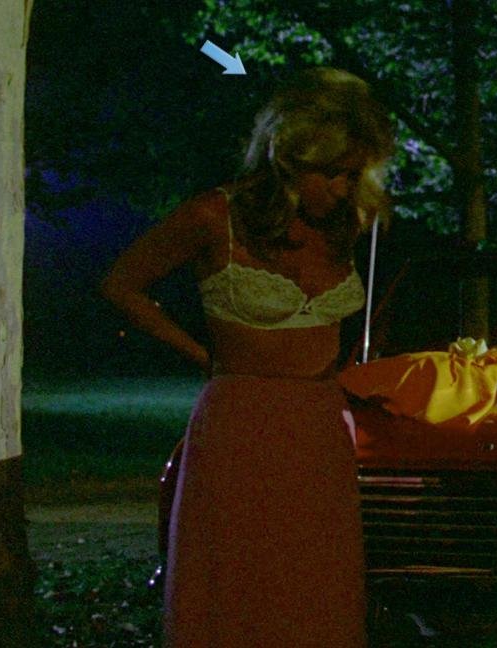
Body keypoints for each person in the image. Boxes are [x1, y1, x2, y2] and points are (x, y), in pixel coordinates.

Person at [101, 67, 393, 647]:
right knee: (237, 579)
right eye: (332, 172)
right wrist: (200, 353)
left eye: (352, 174)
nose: (343, 188)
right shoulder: (213, 216)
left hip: (318, 426)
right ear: (290, 157)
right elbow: (122, 284)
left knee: (313, 583)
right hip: (241, 423)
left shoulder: (344, 223)